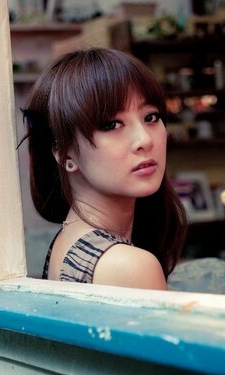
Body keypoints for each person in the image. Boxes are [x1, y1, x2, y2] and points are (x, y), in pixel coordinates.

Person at [21, 48, 187, 290]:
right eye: (111, 125)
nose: (144, 140)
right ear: (65, 152)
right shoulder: (127, 266)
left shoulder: (70, 242)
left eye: (150, 117)